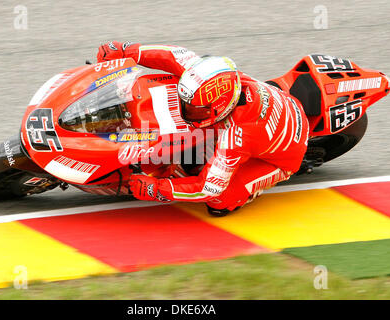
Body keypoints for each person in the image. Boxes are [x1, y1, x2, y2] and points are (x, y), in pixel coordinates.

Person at [96, 41, 309, 216]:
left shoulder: (237, 137)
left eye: (194, 110)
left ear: (219, 108)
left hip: (280, 158)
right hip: (276, 107)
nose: (186, 111)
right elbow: (174, 55)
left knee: (219, 200)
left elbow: (208, 188)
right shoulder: (213, 75)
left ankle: (247, 193)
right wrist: (126, 51)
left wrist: (157, 189)